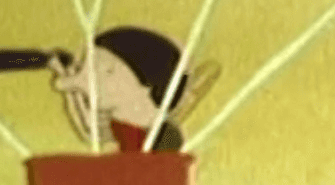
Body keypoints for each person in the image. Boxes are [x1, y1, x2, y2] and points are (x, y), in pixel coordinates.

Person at [48, 25, 221, 152]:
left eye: (107, 72)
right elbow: (88, 125)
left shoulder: (140, 128)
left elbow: (88, 126)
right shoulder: (121, 121)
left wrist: (69, 83)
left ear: (145, 87)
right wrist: (69, 81)